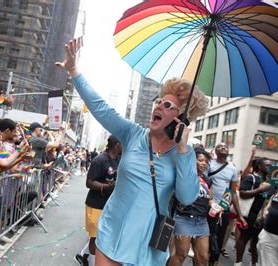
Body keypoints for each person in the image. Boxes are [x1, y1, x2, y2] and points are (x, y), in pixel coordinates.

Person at [56, 38, 207, 265]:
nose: (158, 106)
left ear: (181, 118)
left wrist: (184, 149)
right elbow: (100, 108)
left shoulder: (183, 154)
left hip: (147, 243)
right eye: (159, 101)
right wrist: (74, 70)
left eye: (168, 106)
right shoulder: (132, 133)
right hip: (112, 230)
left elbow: (187, 196)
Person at [75, 135, 122, 266]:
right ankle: (90, 260)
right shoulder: (99, 160)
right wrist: (107, 186)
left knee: (103, 236)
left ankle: (83, 255)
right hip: (96, 205)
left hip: (110, 205)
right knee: (95, 238)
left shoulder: (119, 159)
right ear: (118, 144)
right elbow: (89, 182)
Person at [169, 148, 212, 266]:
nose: (204, 163)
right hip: (185, 218)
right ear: (193, 160)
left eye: (206, 161)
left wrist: (214, 205)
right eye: (200, 160)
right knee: (181, 254)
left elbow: (209, 199)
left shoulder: (207, 180)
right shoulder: (184, 176)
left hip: (202, 221)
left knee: (203, 258)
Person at [207, 143, 246, 264]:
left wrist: (239, 214)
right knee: (206, 236)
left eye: (225, 147)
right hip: (208, 207)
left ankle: (214, 261)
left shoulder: (232, 169)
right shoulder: (209, 165)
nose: (223, 148)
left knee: (219, 237)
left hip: (223, 209)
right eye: (220, 147)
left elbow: (233, 192)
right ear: (216, 151)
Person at [234, 158, 273, 266]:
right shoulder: (250, 178)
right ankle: (238, 262)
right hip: (249, 213)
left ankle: (254, 263)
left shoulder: (268, 181)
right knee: (244, 238)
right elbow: (242, 194)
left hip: (261, 215)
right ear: (259, 166)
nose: (270, 167)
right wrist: (259, 190)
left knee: (256, 240)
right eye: (268, 165)